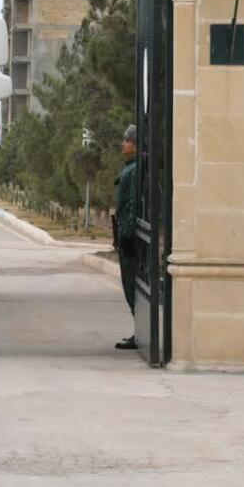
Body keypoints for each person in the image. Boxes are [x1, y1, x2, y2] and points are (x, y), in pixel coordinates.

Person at [113, 124, 139, 350]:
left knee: (131, 284)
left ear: (136, 145)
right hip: (123, 232)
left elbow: (132, 204)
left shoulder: (135, 170)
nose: (123, 144)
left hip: (129, 235)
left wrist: (128, 234)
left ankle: (141, 332)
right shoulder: (130, 167)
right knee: (128, 283)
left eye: (127, 141)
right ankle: (140, 331)